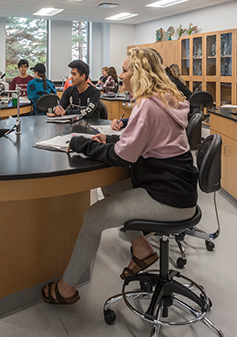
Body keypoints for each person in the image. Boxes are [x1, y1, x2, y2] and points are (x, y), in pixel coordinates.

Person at [41, 47, 197, 305]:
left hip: (168, 198)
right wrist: (110, 138)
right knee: (112, 186)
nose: (121, 76)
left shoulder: (147, 105)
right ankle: (142, 249)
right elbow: (146, 140)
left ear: (139, 73)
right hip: (179, 187)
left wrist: (83, 144)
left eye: (125, 70)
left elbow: (123, 157)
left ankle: (65, 289)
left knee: (93, 217)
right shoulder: (165, 98)